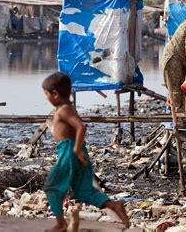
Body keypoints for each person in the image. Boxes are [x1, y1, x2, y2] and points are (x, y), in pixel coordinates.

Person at [42, 72, 129, 231]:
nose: (46, 98)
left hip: (69, 151)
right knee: (83, 190)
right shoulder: (68, 108)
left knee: (52, 186)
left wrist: (75, 150)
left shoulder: (63, 110)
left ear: (55, 94)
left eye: (46, 94)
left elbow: (81, 127)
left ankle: (61, 223)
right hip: (75, 150)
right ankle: (114, 205)